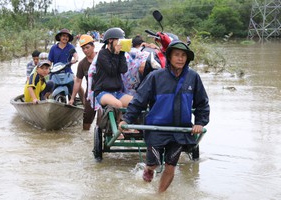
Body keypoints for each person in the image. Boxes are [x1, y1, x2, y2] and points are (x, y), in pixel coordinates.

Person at [119, 40, 210, 193]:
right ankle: (148, 173)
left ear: (187, 58)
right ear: (169, 57)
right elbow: (139, 100)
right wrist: (127, 119)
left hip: (179, 130)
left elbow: (202, 103)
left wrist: (200, 123)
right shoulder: (156, 76)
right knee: (153, 165)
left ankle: (159, 195)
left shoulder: (193, 77)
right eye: (177, 55)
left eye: (183, 55)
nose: (180, 58)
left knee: (171, 165)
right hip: (156, 130)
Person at [88, 27, 133, 109]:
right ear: (110, 40)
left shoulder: (120, 54)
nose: (120, 43)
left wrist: (121, 54)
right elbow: (111, 71)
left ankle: (128, 121)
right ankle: (120, 122)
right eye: (119, 41)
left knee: (136, 102)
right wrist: (116, 54)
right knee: (118, 104)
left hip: (117, 92)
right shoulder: (102, 54)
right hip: (102, 92)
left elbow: (123, 70)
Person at [68, 34, 97, 130]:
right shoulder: (82, 64)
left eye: (87, 47)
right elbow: (78, 81)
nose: (85, 50)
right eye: (83, 49)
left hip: (104, 92)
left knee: (102, 122)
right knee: (86, 122)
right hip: (90, 95)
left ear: (93, 46)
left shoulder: (102, 58)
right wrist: (72, 98)